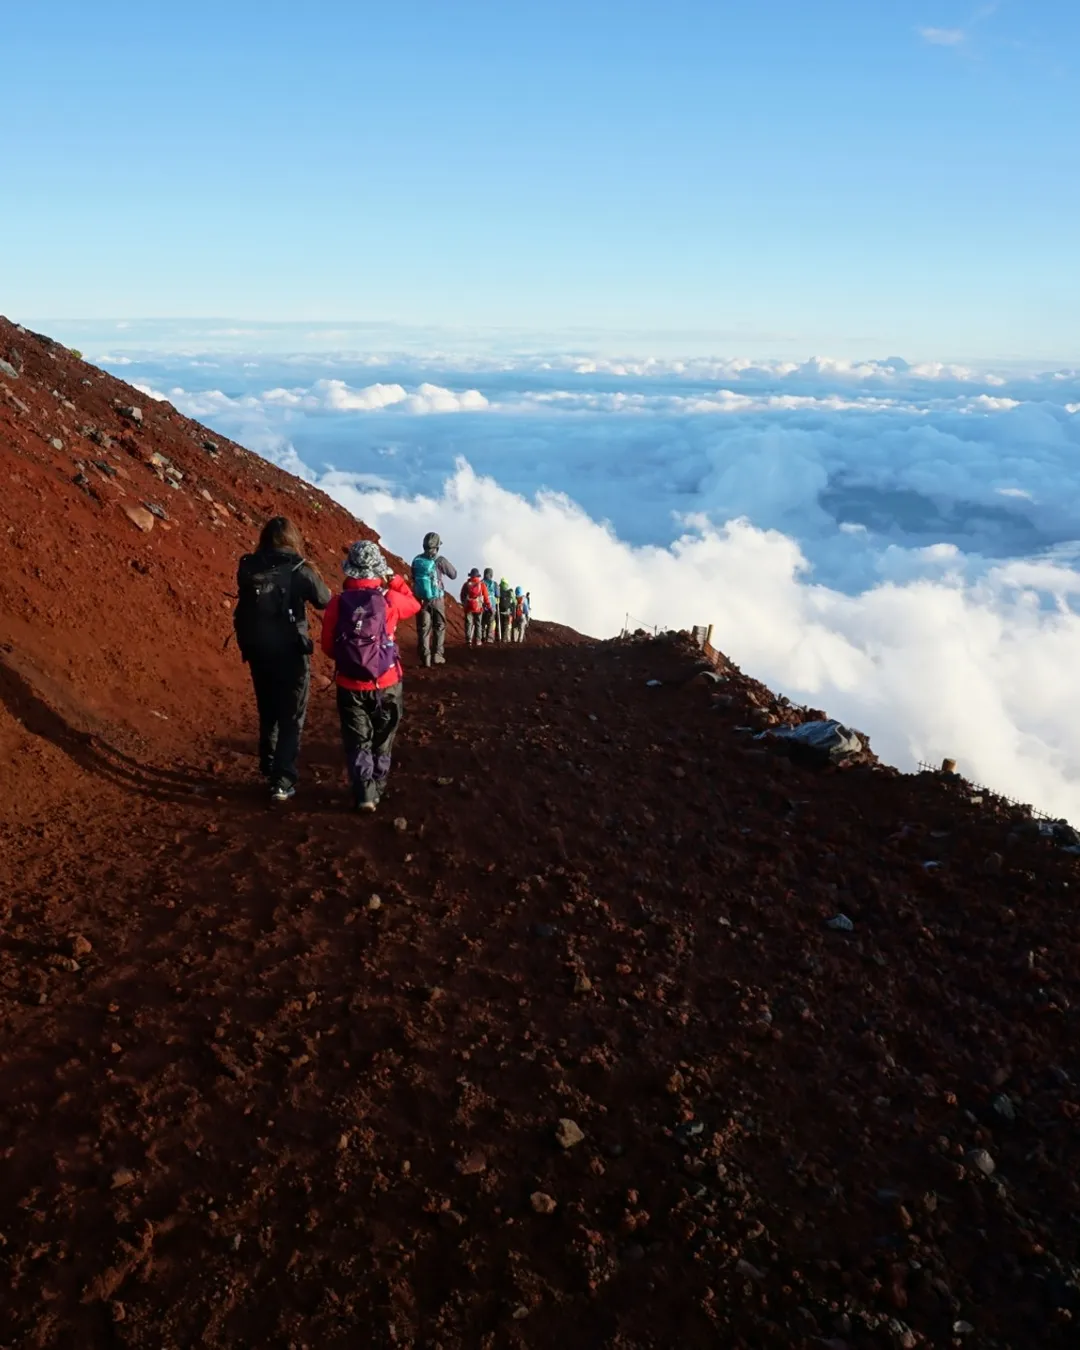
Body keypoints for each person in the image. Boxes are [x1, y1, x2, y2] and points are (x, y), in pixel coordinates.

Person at [233, 516, 330, 803]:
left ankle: (269, 763)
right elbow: (324, 599)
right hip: (290, 651)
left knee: (268, 708)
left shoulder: (248, 565)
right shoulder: (299, 569)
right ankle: (282, 779)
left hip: (257, 649)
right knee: (291, 715)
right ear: (294, 539)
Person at [321, 540, 421, 812]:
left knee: (357, 740)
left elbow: (329, 647)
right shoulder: (389, 599)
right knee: (383, 737)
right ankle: (378, 784)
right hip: (387, 682)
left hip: (349, 685)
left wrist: (353, 660)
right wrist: (395, 579)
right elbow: (415, 605)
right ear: (377, 569)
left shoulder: (337, 603)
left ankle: (365, 793)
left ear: (350, 570)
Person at [411, 531, 457, 666]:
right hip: (437, 599)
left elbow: (413, 576)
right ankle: (437, 654)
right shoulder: (439, 560)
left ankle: (425, 657)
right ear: (437, 546)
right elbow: (453, 574)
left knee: (423, 628)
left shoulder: (417, 560)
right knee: (439, 625)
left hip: (421, 599)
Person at [460, 568, 486, 647]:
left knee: (469, 623)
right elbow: (486, 597)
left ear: (470, 575)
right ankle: (478, 640)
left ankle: (468, 640)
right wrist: (487, 605)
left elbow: (462, 595)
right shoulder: (482, 585)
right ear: (478, 576)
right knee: (478, 624)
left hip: (468, 608)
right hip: (479, 607)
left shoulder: (466, 584)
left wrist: (464, 603)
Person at [481, 566, 498, 643]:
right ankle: (489, 638)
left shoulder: (480, 583)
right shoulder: (494, 584)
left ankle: (482, 636)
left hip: (482, 605)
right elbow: (498, 594)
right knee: (491, 621)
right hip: (492, 605)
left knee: (482, 621)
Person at [497, 577, 515, 643]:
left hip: (499, 611)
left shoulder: (499, 591)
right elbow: (514, 602)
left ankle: (498, 638)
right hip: (508, 612)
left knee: (499, 624)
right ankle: (504, 640)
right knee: (506, 626)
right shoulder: (510, 592)